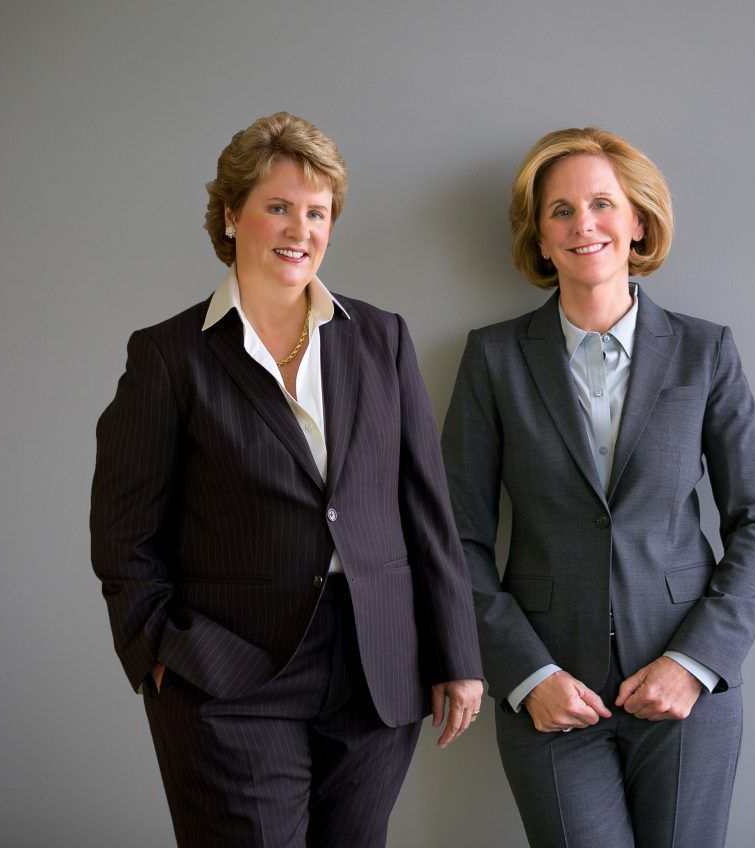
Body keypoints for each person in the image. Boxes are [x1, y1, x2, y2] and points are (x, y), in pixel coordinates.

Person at [91, 112, 483, 848]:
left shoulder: (381, 337)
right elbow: (123, 531)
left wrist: (457, 654)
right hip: (227, 670)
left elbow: (425, 508)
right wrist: (157, 653)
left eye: (317, 211)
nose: (299, 228)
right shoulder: (169, 356)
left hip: (375, 663)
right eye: (278, 206)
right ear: (232, 215)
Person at [441, 126, 755, 848]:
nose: (583, 224)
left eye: (602, 203)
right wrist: (527, 674)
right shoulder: (493, 359)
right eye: (560, 210)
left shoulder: (704, 351)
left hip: (686, 692)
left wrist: (695, 664)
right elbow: (455, 537)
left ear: (637, 222)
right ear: (538, 237)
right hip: (552, 694)